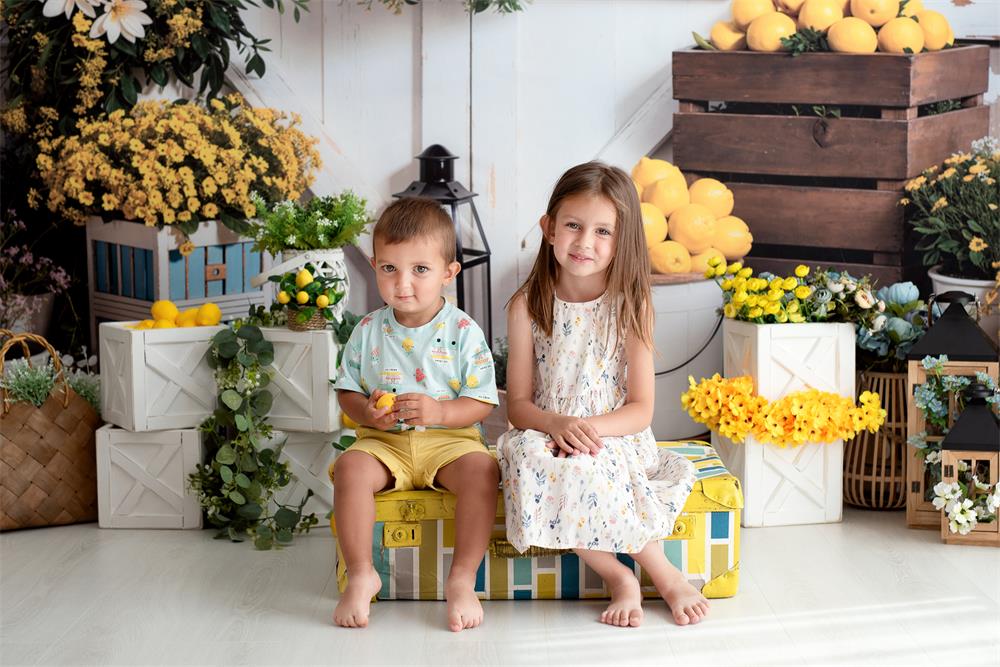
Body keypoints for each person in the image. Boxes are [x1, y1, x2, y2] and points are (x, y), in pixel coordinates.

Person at [498, 161, 708, 628]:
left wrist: (588, 433)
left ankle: (664, 574)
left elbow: (641, 409)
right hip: (546, 432)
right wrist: (557, 426)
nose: (584, 242)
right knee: (535, 459)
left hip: (614, 433)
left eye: (602, 232)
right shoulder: (526, 305)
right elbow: (517, 405)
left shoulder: (631, 306)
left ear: (623, 241)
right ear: (548, 228)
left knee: (591, 460)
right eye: (573, 225)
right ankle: (620, 577)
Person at [331, 197, 499, 632]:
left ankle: (462, 578)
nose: (403, 283)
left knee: (483, 471)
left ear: (448, 272)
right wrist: (366, 412)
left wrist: (442, 411)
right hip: (384, 444)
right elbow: (347, 391)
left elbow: (483, 401)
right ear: (374, 266)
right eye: (389, 268)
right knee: (350, 468)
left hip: (451, 442)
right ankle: (362, 571)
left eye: (420, 269)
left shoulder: (462, 331)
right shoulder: (367, 330)